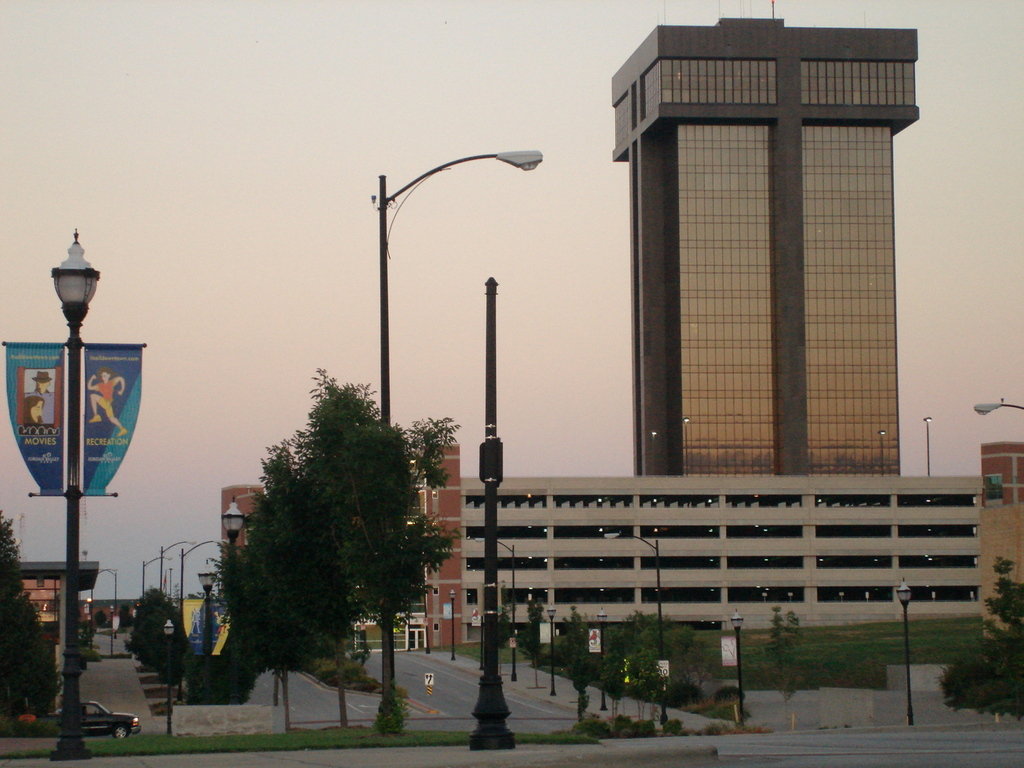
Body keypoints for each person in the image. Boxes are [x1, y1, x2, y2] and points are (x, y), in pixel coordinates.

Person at [87, 366, 128, 436]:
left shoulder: (111, 383)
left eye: (105, 376)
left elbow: (121, 378)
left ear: (109, 376)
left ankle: (122, 429)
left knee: (112, 418)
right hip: (104, 401)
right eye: (102, 376)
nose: (103, 377)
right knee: (92, 396)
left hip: (108, 403)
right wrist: (92, 378)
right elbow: (89, 387)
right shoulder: (100, 385)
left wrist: (122, 390)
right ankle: (96, 416)